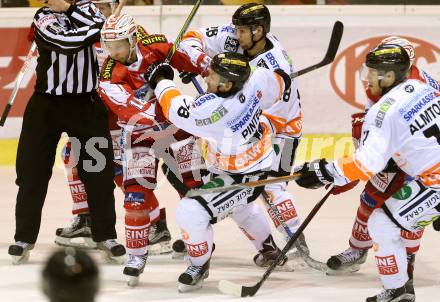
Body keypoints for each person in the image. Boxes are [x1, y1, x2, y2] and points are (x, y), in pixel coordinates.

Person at [294, 43, 440, 301]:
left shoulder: (384, 111)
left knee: (381, 223)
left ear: (391, 75)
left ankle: (397, 290)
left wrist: (323, 171)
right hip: (427, 177)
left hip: (433, 182)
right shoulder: (423, 87)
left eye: (373, 73)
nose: (367, 78)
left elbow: (366, 163)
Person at [145, 52, 292, 292]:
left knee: (191, 210)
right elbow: (281, 81)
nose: (208, 76)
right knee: (241, 208)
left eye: (212, 75)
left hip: (242, 177)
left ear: (227, 84)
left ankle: (199, 265)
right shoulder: (256, 78)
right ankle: (269, 250)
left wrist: (161, 79)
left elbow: (175, 108)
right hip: (256, 162)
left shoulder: (214, 112)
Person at [177, 2, 308, 258]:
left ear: (258, 30)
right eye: (236, 30)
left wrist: (232, 115)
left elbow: (274, 111)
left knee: (271, 187)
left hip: (282, 128)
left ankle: (296, 240)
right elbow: (190, 39)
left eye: (242, 31)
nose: (236, 36)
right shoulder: (235, 36)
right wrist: (201, 64)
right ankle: (201, 228)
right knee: (217, 178)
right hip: (245, 127)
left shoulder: (275, 64)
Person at [8, 0, 125, 265]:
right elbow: (66, 44)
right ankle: (24, 238)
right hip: (46, 107)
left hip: (86, 106)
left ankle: (106, 235)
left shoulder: (88, 8)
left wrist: (75, 14)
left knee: (98, 174)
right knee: (31, 175)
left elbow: (102, 29)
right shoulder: (42, 17)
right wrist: (92, 27)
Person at [53, 0, 173, 256]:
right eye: (92, 6)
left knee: (119, 169)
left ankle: (155, 222)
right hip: (96, 113)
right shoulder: (87, 32)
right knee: (73, 156)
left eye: (103, 6)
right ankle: (85, 217)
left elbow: (146, 64)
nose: (97, 12)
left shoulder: (132, 33)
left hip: (124, 115)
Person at [97, 13, 206, 286]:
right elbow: (135, 113)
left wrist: (195, 67)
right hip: (140, 133)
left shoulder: (156, 47)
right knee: (135, 196)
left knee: (195, 189)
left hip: (178, 125)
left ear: (133, 39)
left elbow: (196, 62)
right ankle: (136, 256)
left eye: (119, 44)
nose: (113, 52)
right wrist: (160, 86)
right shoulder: (109, 76)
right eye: (109, 46)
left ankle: (199, 260)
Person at [326, 36, 439, 275]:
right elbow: (374, 121)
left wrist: (347, 171)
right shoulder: (385, 78)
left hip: (418, 158)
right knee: (370, 198)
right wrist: (359, 157)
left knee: (407, 214)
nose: (370, 77)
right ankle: (357, 250)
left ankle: (406, 261)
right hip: (394, 149)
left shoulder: (422, 84)